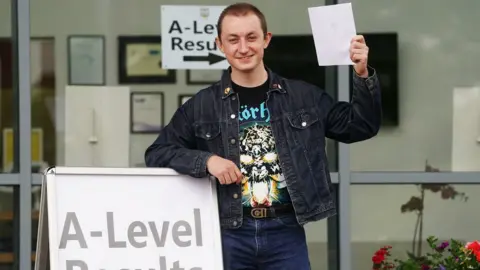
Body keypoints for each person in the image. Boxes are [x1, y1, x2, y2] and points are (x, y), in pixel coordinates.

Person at [145, 2, 381, 269]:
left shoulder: (303, 97)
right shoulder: (202, 106)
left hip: (285, 231)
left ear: (266, 40)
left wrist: (362, 73)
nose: (243, 48)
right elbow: (157, 153)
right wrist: (207, 161)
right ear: (220, 44)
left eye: (251, 37)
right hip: (227, 232)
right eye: (233, 39)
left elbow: (360, 126)